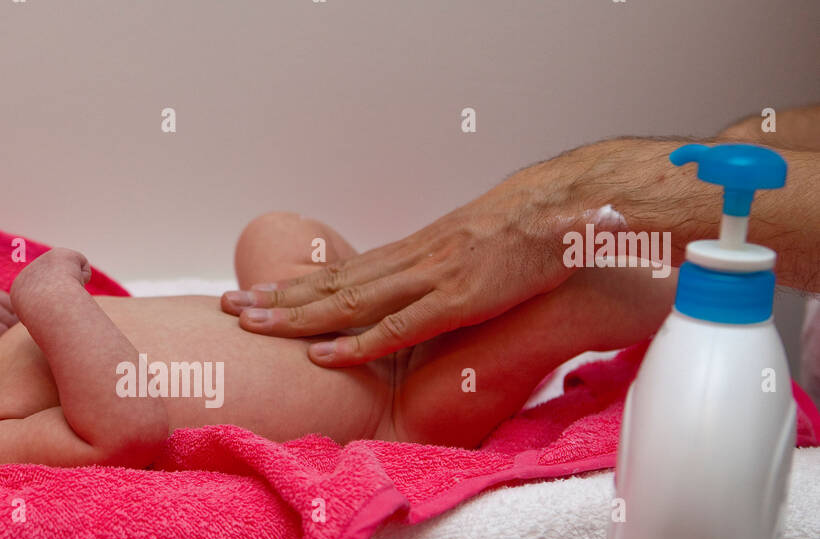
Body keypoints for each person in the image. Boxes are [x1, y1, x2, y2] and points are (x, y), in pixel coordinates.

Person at [0, 234, 670, 467]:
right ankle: (686, 300)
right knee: (565, 313)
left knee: (273, 232)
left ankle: (442, 297)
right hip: (392, 411)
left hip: (320, 323)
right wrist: (51, 298)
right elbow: (129, 423)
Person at [218, 105, 820, 367]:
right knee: (272, 235)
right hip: (369, 366)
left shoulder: (409, 394)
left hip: (392, 393)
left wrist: (595, 193)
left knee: (275, 235)